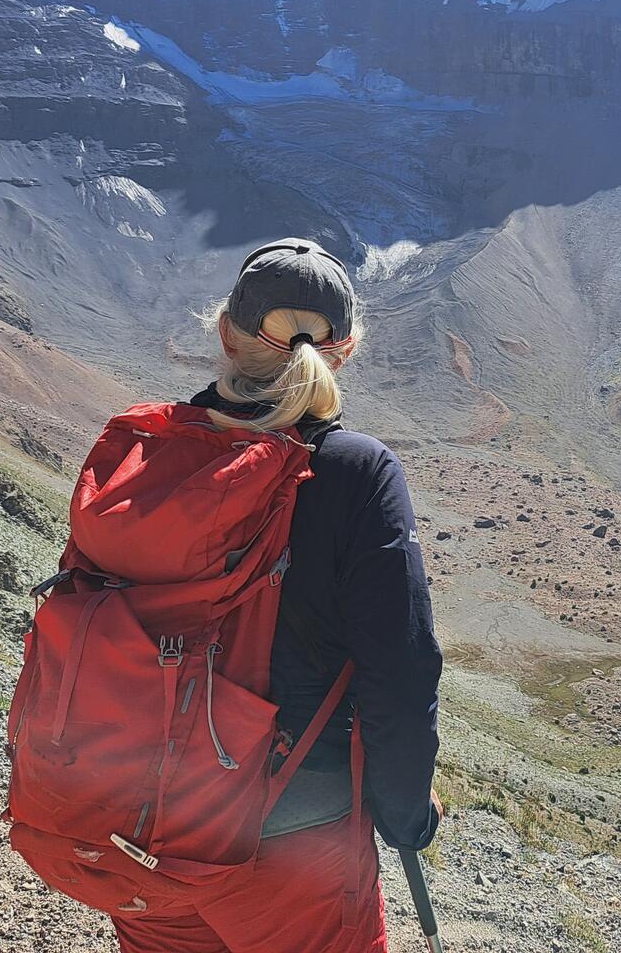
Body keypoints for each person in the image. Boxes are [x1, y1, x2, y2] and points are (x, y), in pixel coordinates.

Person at [116, 238, 443, 953]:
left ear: (227, 334)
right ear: (345, 351)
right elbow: (402, 666)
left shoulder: (152, 448)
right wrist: (405, 813)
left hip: (143, 821)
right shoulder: (357, 472)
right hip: (291, 836)